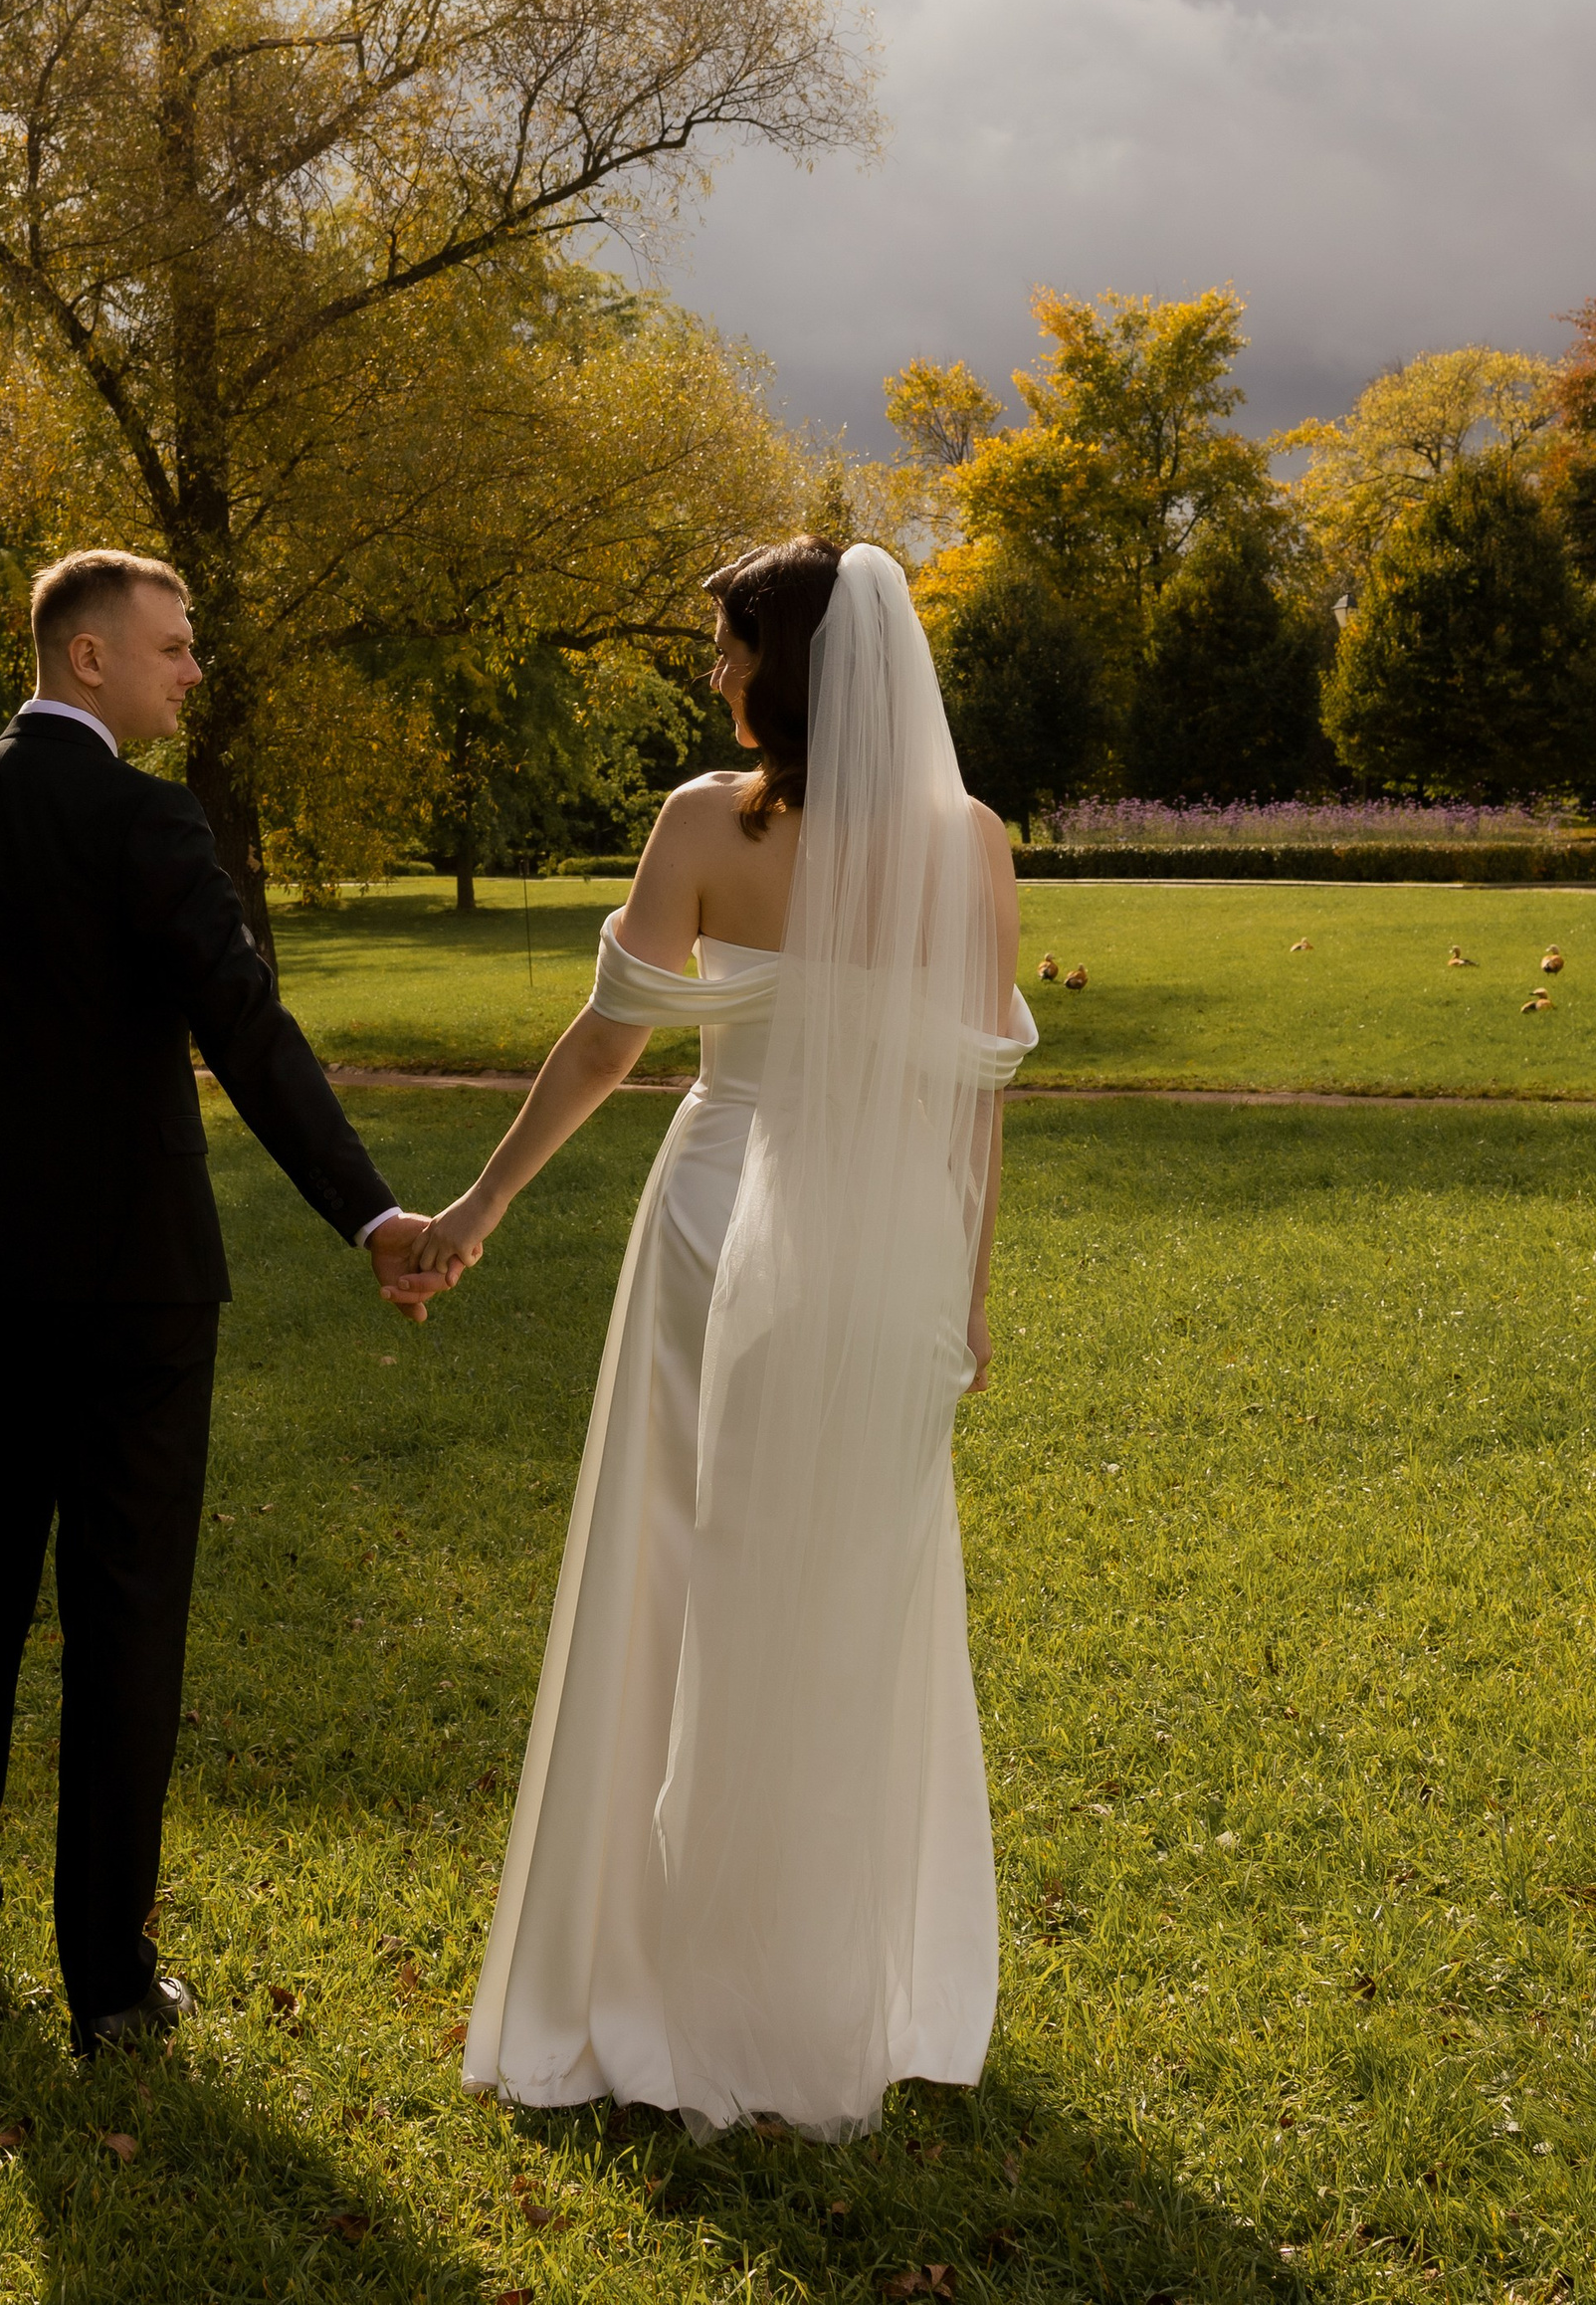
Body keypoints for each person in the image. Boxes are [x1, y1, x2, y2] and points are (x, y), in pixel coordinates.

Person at [411, 537, 1035, 2139]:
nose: (711, 673)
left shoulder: (706, 822)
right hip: (882, 1241)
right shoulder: (970, 845)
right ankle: (818, 1991)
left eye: (726, 645)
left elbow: (612, 1041)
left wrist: (476, 1210)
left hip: (715, 1213)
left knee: (675, 1582)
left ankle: (660, 1979)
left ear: (784, 665)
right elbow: (970, 1104)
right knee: (835, 1598)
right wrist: (961, 1287)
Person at [0, 547, 458, 2048]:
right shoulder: (144, 818)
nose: (193, 670)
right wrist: (371, 1212)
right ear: (88, 659)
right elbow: (246, 1031)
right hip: (134, 1297)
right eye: (174, 647)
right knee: (124, 1619)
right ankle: (109, 1982)